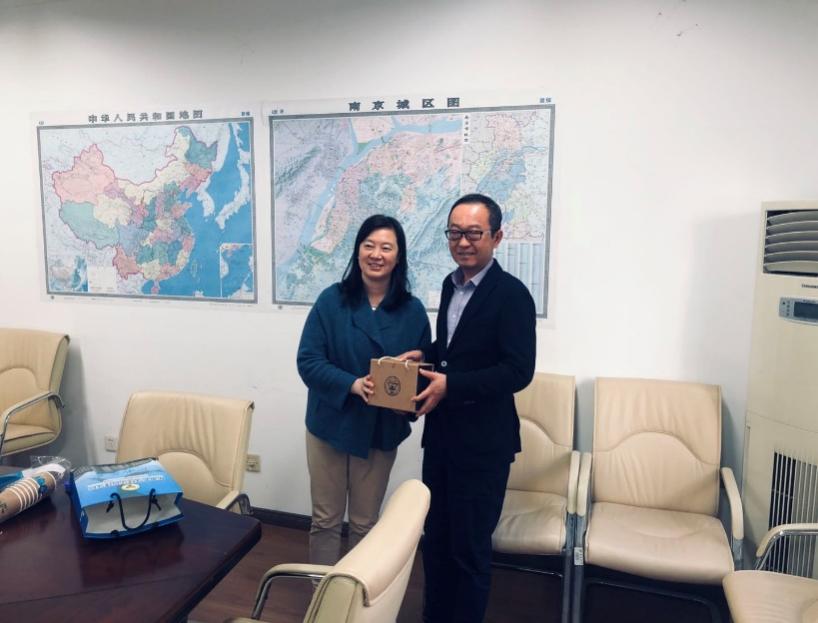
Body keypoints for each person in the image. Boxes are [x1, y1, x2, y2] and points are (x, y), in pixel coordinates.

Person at [401, 193, 536, 622]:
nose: (463, 242)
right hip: (441, 438)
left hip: (483, 446)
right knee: (436, 540)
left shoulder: (512, 295)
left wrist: (452, 385)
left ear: (497, 237)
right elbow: (457, 350)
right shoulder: (451, 284)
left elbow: (518, 371)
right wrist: (426, 353)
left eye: (474, 233)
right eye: (455, 233)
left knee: (469, 551)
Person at [296, 214, 431, 566]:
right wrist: (352, 384)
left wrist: (410, 399)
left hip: (380, 431)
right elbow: (308, 360)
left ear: (398, 257)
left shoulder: (413, 311)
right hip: (330, 425)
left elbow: (423, 375)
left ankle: (355, 594)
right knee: (325, 520)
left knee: (364, 523)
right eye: (369, 245)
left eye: (386, 247)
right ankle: (322, 593)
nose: (376, 254)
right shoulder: (331, 301)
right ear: (357, 252)